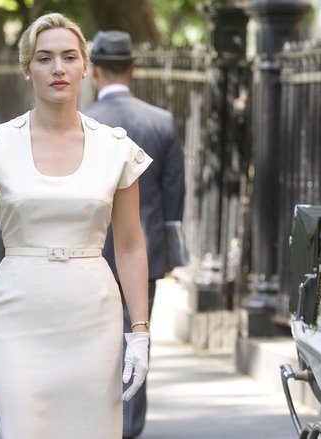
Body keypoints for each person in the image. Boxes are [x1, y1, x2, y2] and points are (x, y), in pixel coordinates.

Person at [0, 12, 152, 438]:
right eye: (44, 58)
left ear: (86, 67)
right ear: (27, 69)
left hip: (93, 318)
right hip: (15, 318)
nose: (58, 68)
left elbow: (131, 245)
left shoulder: (116, 149)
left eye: (69, 57)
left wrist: (140, 333)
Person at [82, 30, 185, 439]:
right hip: (145, 248)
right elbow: (174, 193)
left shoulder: (86, 121)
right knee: (136, 336)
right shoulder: (160, 121)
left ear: (93, 71)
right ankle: (128, 426)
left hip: (88, 248)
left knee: (90, 339)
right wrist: (169, 251)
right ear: (133, 69)